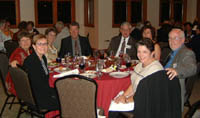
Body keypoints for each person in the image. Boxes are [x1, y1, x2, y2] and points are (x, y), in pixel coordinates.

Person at [109, 38, 164, 118]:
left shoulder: (156, 70)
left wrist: (127, 100)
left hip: (146, 105)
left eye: (144, 52)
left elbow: (145, 94)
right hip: (135, 98)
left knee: (113, 111)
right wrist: (124, 96)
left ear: (152, 53)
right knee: (111, 104)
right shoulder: (139, 65)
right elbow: (133, 84)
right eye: (139, 51)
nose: (140, 55)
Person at [164, 28, 197, 111]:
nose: (171, 41)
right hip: (165, 82)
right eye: (170, 38)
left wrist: (177, 71)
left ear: (183, 40)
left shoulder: (186, 53)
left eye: (175, 38)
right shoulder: (172, 52)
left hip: (172, 89)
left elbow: (192, 68)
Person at [23, 34, 59, 110]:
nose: (43, 46)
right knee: (66, 100)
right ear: (34, 46)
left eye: (45, 44)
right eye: (40, 44)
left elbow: (44, 79)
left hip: (42, 92)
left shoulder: (42, 57)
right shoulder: (31, 62)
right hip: (38, 99)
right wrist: (57, 90)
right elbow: (39, 85)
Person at [5, 31, 32, 96]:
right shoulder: (19, 52)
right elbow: (16, 61)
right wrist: (15, 62)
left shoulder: (30, 51)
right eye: (23, 40)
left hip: (25, 79)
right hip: (17, 83)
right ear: (19, 43)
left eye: (27, 39)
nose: (26, 42)